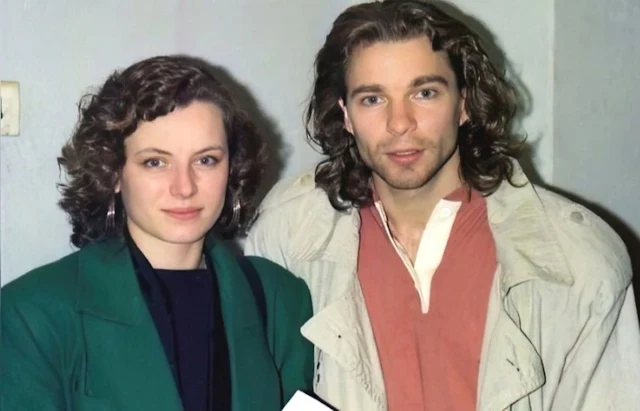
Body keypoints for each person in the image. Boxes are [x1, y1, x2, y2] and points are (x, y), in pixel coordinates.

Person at [245, 1, 640, 410]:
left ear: (464, 103)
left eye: (425, 93)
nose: (400, 123)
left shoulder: (579, 259)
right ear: (345, 114)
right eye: (373, 99)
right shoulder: (287, 235)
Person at [1, 55, 313, 411]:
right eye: (155, 162)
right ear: (113, 173)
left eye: (206, 160)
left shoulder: (280, 299)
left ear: (232, 167)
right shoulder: (32, 314)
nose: (184, 187)